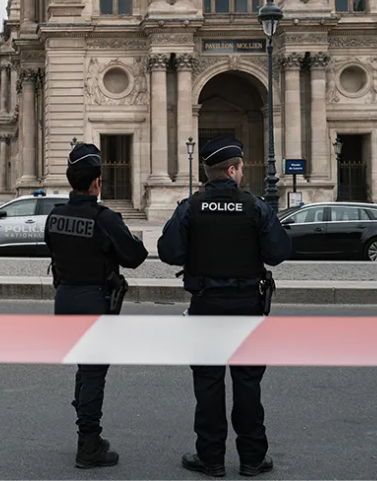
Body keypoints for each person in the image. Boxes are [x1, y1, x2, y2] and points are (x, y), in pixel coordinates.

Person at [157, 136, 292, 477]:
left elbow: (169, 252)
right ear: (232, 170)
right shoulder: (255, 207)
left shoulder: (190, 207)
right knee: (248, 385)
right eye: (241, 168)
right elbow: (278, 252)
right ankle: (252, 458)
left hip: (206, 305)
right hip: (247, 306)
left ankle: (211, 458)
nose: (243, 173)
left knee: (208, 385)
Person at [45, 141, 148, 469]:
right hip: (95, 302)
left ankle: (85, 427)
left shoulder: (55, 217)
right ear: (97, 182)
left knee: (84, 368)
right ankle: (88, 443)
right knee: (93, 373)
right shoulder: (105, 219)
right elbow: (135, 257)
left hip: (64, 299)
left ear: (69, 179)